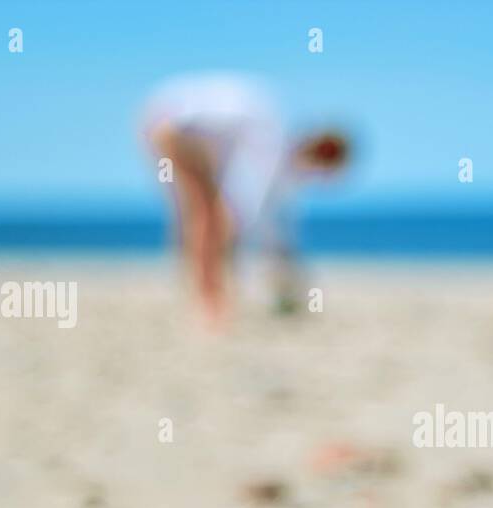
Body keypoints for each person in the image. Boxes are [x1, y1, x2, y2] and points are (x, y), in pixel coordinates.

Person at [140, 73, 349, 329]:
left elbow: (254, 204)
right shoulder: (271, 138)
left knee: (202, 215)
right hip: (174, 124)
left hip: (169, 118)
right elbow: (256, 208)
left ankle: (207, 299)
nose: (315, 175)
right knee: (206, 216)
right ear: (324, 151)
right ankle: (210, 307)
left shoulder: (268, 132)